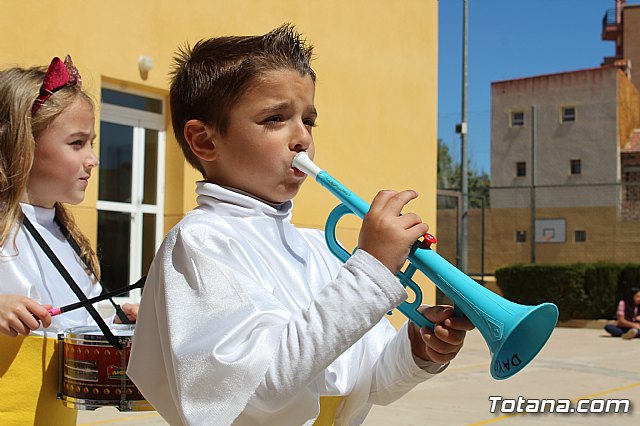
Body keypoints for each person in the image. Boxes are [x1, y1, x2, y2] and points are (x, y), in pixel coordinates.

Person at [128, 24, 474, 426]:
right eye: (276, 119)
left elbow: (369, 381)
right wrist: (373, 271)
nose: (302, 138)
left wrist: (417, 349)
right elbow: (264, 381)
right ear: (205, 142)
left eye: (308, 120)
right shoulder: (201, 242)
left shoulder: (316, 247)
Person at [0, 55, 138, 425]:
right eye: (76, 143)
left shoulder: (68, 239)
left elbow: (71, 320)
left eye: (91, 143)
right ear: (20, 144)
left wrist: (115, 316)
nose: (93, 159)